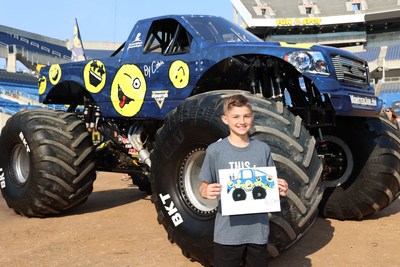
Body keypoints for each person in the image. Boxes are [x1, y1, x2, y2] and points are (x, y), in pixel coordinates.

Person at [199, 94, 289, 267]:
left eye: (246, 116)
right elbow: (204, 187)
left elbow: (270, 184)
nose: (242, 121)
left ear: (252, 117)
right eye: (236, 116)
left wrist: (279, 188)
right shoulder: (215, 150)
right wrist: (206, 191)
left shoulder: (262, 149)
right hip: (227, 234)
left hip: (258, 232)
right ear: (225, 119)